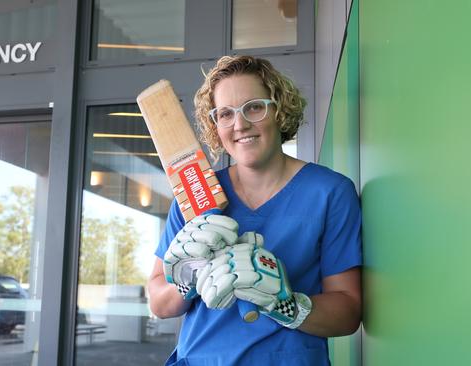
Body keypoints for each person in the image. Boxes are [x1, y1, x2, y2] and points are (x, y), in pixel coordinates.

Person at [147, 55, 362, 365]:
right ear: (215, 124)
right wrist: (187, 276)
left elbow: (348, 312)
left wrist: (284, 303)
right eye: (225, 114)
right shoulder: (195, 195)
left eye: (254, 107)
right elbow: (159, 303)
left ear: (279, 109)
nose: (240, 124)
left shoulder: (329, 192)